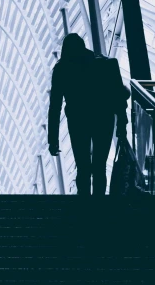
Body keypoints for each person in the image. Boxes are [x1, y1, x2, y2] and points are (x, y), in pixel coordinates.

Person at [48, 34, 130, 196]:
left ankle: (84, 205)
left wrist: (53, 139)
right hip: (104, 118)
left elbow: (55, 106)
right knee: (100, 165)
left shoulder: (62, 69)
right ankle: (98, 206)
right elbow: (118, 97)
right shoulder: (107, 65)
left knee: (83, 166)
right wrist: (122, 123)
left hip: (78, 120)